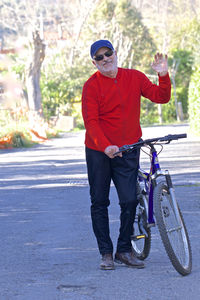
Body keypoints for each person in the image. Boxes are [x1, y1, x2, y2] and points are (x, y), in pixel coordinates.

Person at [81, 39, 171, 270]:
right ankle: (106, 253)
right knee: (99, 202)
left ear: (114, 53)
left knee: (129, 199)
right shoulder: (91, 86)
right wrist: (105, 146)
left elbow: (161, 97)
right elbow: (91, 122)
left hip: (128, 148)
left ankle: (124, 249)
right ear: (94, 63)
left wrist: (162, 75)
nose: (105, 59)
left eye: (107, 53)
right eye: (99, 57)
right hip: (99, 151)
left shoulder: (134, 77)